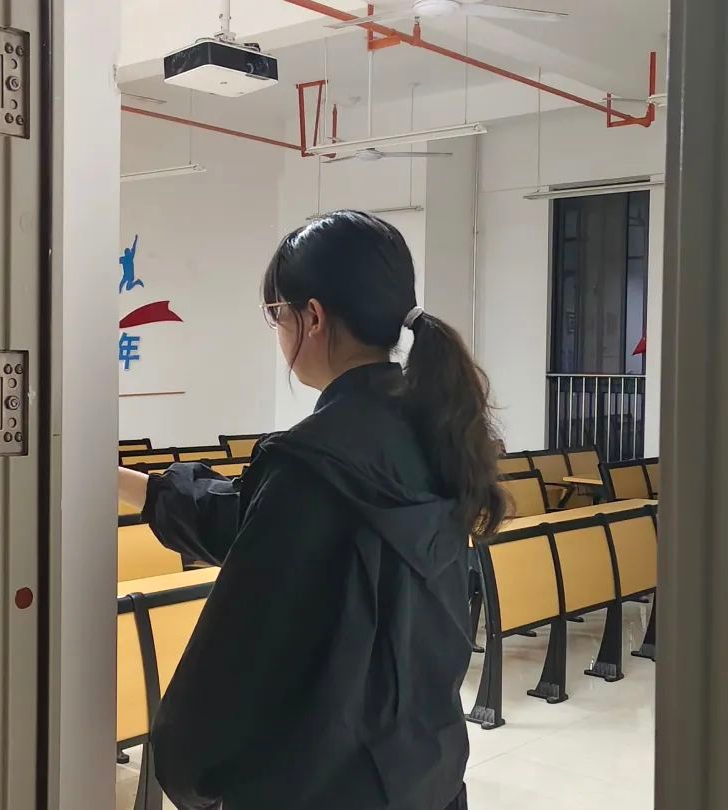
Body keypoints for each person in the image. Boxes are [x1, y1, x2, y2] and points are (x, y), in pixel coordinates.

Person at [117, 210, 505, 810]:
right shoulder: (436, 433)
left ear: (313, 317)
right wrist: (124, 483)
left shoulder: (311, 464)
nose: (278, 332)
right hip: (424, 772)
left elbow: (241, 658)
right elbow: (249, 520)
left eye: (278, 314)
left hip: (322, 784)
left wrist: (189, 768)